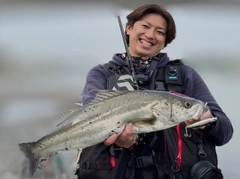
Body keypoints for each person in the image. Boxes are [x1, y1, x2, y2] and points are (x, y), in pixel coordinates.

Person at [75, 4, 233, 179]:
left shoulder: (184, 75)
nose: (150, 35)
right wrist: (116, 135)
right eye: (145, 26)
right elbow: (89, 113)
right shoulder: (101, 74)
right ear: (129, 28)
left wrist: (209, 123)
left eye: (160, 32)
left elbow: (225, 133)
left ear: (165, 41)